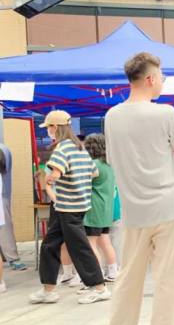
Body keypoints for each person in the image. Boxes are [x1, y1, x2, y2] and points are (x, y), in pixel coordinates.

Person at [106, 52, 174, 325]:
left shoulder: (111, 116)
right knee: (167, 281)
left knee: (128, 279)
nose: (162, 82)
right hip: (168, 207)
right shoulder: (165, 112)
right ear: (152, 78)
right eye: (161, 77)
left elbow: (112, 158)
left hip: (132, 212)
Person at [29, 111, 111, 305]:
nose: (48, 131)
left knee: (79, 248)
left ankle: (100, 288)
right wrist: (78, 180)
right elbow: (94, 172)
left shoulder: (63, 148)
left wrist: (50, 179)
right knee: (49, 245)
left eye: (48, 127)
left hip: (68, 207)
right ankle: (48, 290)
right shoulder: (79, 148)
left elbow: (55, 174)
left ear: (55, 128)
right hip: (72, 206)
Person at [83, 134, 119, 285]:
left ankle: (96, 276)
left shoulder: (94, 165)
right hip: (106, 210)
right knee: (105, 241)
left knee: (90, 243)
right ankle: (113, 272)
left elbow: (82, 182)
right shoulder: (109, 165)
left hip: (94, 210)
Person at [0, 143, 27, 271]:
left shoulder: (2, 150)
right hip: (3, 194)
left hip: (1, 195)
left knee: (4, 228)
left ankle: (13, 258)